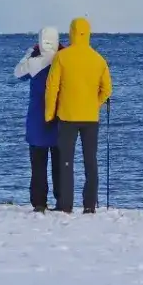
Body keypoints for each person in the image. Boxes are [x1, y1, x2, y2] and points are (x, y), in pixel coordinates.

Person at [44, 16, 112, 213]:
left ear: (71, 32)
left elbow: (52, 88)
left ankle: (65, 205)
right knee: (91, 161)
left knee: (66, 161)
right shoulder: (98, 59)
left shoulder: (62, 57)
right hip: (91, 117)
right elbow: (107, 89)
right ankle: (90, 206)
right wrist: (94, 103)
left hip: (67, 117)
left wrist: (50, 114)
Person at [14, 27, 62, 212]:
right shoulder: (62, 59)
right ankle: (62, 199)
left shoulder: (34, 63)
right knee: (60, 165)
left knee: (38, 167)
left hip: (36, 121)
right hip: (59, 120)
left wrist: (28, 53)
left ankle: (39, 203)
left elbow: (18, 73)